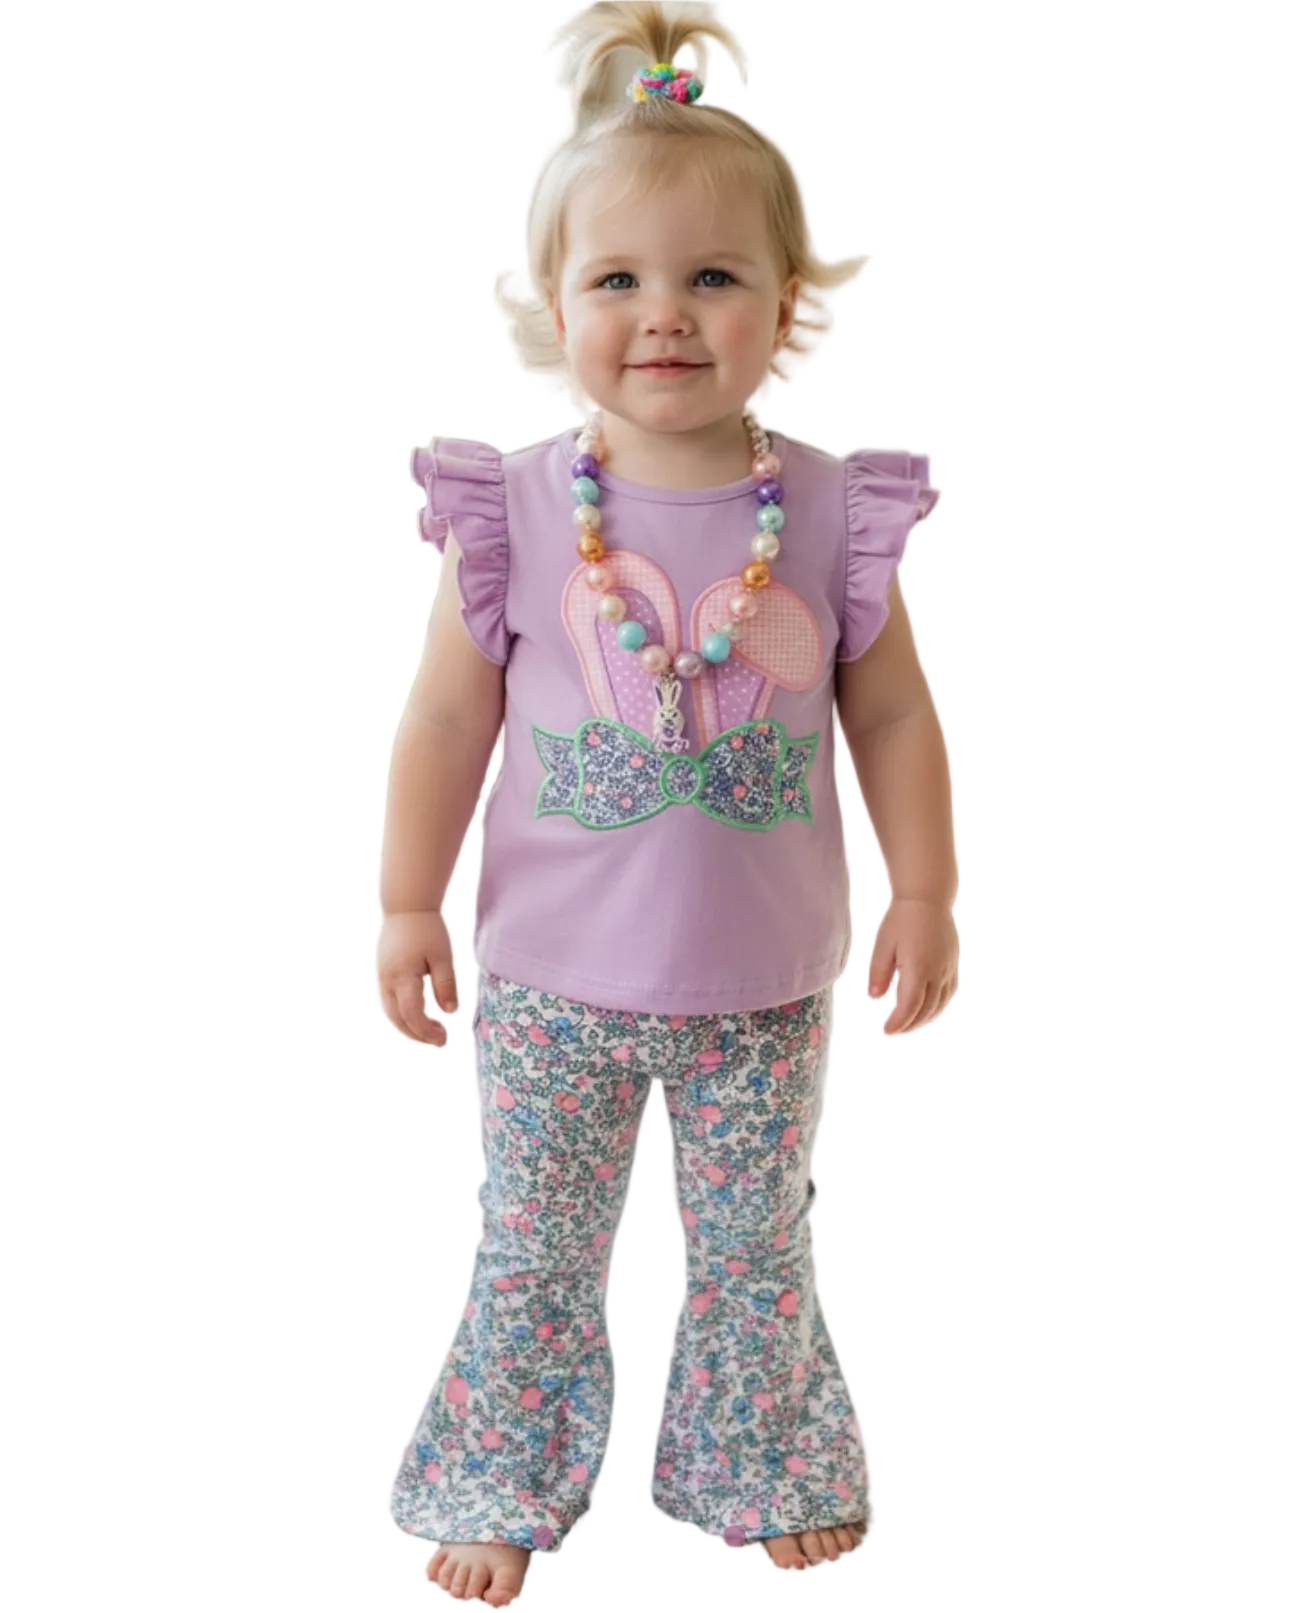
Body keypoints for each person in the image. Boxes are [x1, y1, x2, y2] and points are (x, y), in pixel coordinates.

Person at [377, 3, 959, 1603]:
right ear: (551, 301)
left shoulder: (829, 511)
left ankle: (759, 1462)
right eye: (617, 280)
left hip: (759, 991)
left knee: (758, 1245)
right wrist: (406, 899)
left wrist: (925, 889)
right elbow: (445, 716)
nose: (665, 317)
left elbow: (891, 713)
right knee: (533, 1246)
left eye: (711, 277)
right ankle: (498, 1479)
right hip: (550, 984)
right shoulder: (510, 508)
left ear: (786, 301)